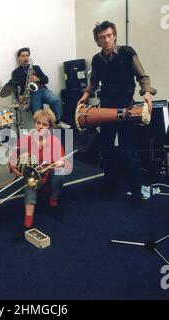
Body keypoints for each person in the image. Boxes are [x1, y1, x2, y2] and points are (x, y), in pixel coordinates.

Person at [78, 21, 157, 209]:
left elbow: (142, 77)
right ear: (97, 41)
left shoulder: (127, 53)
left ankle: (136, 192)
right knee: (106, 152)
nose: (106, 40)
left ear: (114, 36)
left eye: (108, 36)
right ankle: (110, 187)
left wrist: (146, 93)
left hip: (126, 111)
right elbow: (93, 83)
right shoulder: (96, 60)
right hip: (105, 112)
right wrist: (85, 95)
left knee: (129, 153)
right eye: (101, 38)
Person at [10, 108, 72, 236]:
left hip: (48, 177)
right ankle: (27, 223)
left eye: (45, 124)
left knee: (60, 173)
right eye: (38, 123)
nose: (40, 127)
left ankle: (53, 201)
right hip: (33, 176)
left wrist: (63, 163)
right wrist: (14, 164)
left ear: (49, 127)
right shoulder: (26, 139)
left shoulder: (54, 142)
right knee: (30, 182)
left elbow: (68, 166)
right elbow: (12, 156)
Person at [11, 47, 69, 129]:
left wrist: (38, 79)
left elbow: (46, 79)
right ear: (19, 58)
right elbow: (15, 88)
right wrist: (19, 96)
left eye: (27, 55)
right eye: (23, 56)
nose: (25, 58)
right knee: (37, 112)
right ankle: (40, 132)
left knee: (54, 100)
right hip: (31, 94)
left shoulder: (36, 67)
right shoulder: (16, 72)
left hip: (42, 90)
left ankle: (57, 122)